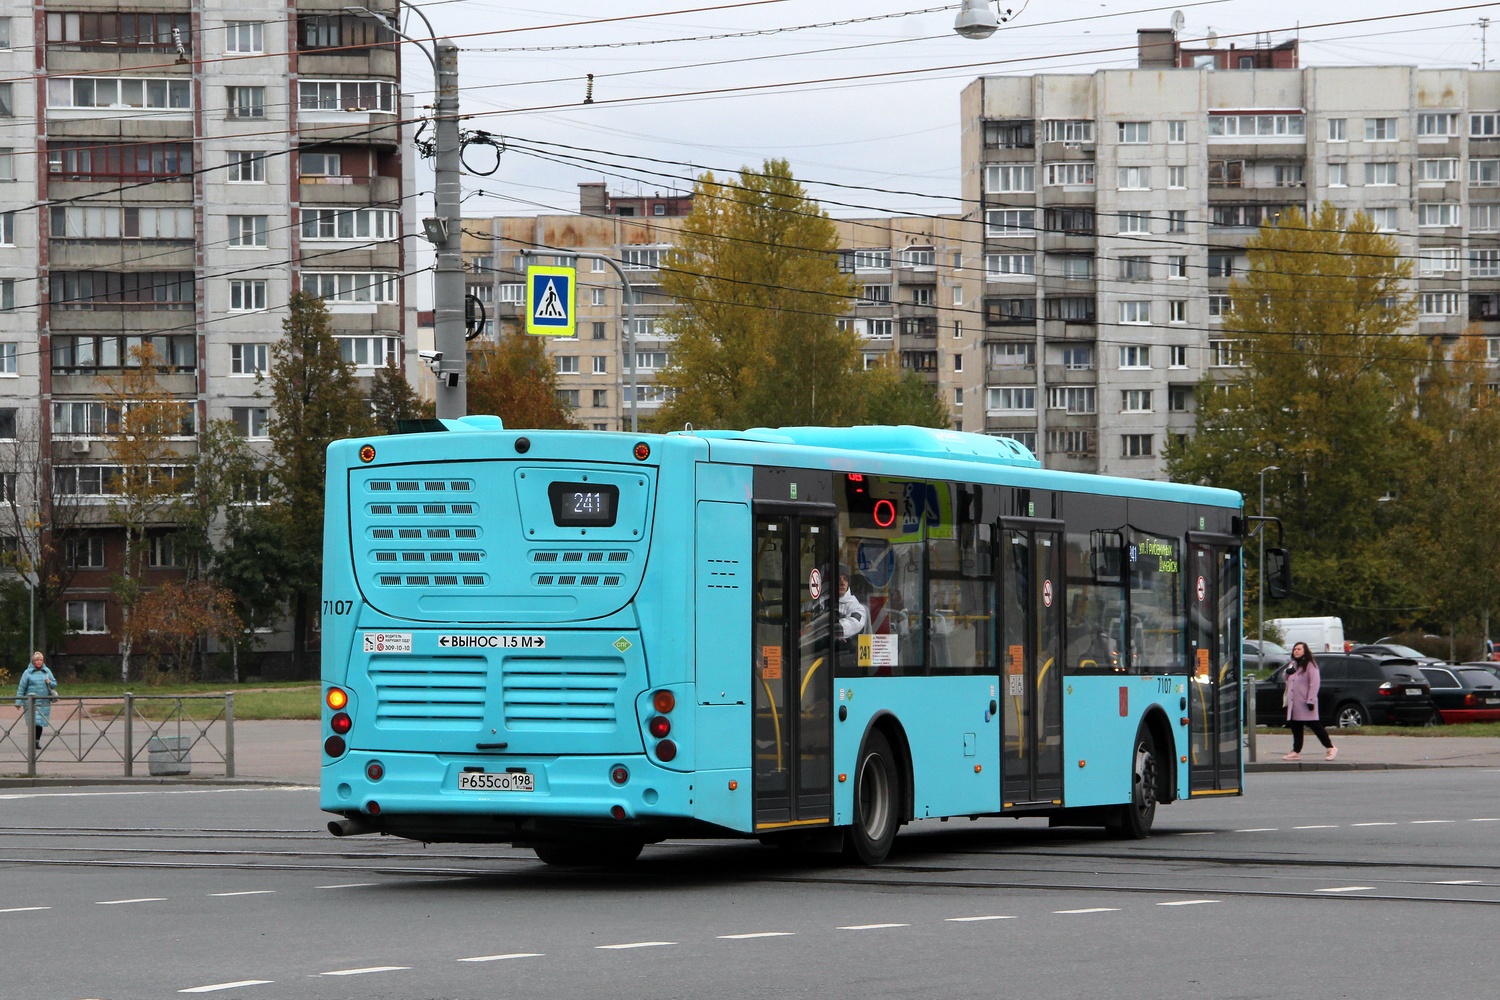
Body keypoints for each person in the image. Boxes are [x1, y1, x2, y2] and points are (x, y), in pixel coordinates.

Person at [1282, 642, 1336, 761]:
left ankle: (1330, 747)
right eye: (1295, 649)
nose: (1296, 651)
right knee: (1296, 727)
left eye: (1299, 649)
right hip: (1294, 703)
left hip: (1306, 702)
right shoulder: (1293, 664)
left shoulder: (1311, 665)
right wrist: (1287, 673)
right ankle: (1296, 751)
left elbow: (1314, 683)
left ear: (1305, 651)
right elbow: (1285, 678)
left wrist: (1311, 700)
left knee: (1316, 726)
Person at [15, 651, 58, 751]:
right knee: (33, 722)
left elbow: (54, 684)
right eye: (37, 660)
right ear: (33, 661)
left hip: (43, 702)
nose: (39, 662)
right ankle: (32, 741)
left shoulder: (47, 671)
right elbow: (21, 687)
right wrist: (18, 702)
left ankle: (37, 741)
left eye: (41, 660)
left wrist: (49, 682)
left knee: (40, 723)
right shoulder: (27, 673)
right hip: (31, 702)